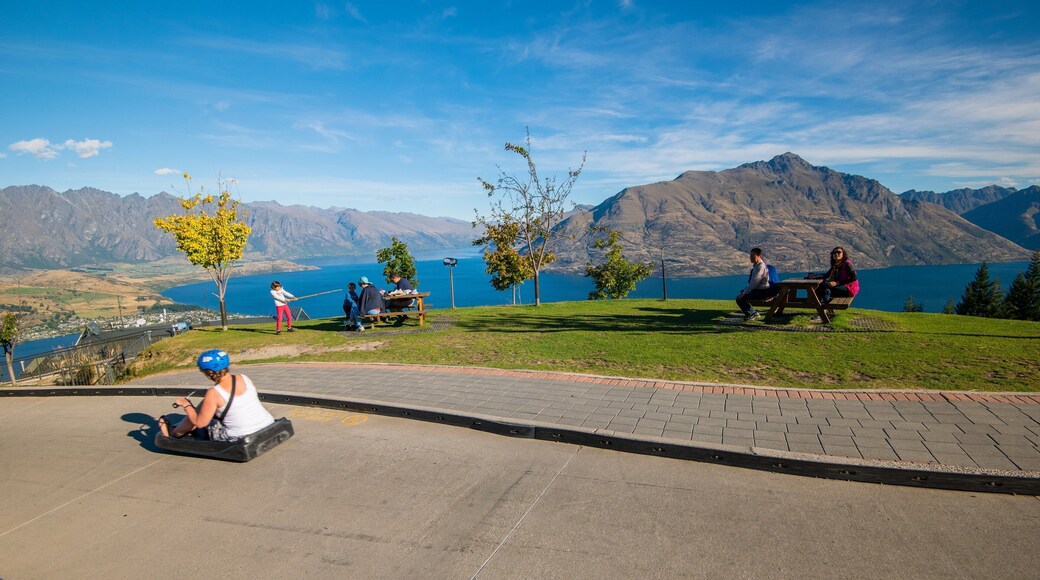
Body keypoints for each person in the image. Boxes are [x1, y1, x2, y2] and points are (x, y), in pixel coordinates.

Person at [157, 349, 275, 441]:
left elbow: (200, 422)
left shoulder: (214, 393)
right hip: (266, 423)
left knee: (200, 418)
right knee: (207, 406)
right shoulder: (243, 378)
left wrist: (186, 405)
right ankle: (179, 430)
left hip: (240, 436)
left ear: (208, 373)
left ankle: (173, 435)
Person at [735, 248, 780, 321]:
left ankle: (752, 313)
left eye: (753, 256)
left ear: (760, 256)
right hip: (760, 290)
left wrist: (745, 292)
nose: (751, 258)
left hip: (762, 291)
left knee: (740, 298)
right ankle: (751, 313)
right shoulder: (757, 266)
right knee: (741, 296)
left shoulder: (760, 266)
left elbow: (754, 282)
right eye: (750, 256)